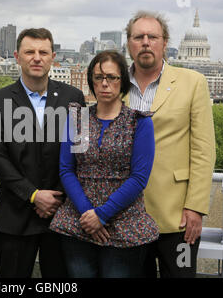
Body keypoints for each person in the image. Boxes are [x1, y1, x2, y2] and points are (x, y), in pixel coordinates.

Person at [0, 28, 85, 278]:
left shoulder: (75, 98)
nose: (36, 58)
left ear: (53, 57)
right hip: (14, 217)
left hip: (61, 216)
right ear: (17, 57)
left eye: (43, 52)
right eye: (30, 52)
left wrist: (55, 198)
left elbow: (81, 153)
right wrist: (33, 195)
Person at [50, 50, 159, 278]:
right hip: (78, 220)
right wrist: (88, 213)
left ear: (123, 82)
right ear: (91, 81)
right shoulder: (78, 119)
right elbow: (67, 169)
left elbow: (139, 178)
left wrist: (102, 215)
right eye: (98, 77)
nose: (105, 84)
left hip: (124, 223)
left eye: (112, 77)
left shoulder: (139, 123)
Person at [123, 10, 216, 277]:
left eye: (153, 36)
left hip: (178, 218)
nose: (145, 42)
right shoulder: (114, 85)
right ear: (129, 43)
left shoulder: (192, 82)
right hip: (127, 217)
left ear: (165, 42)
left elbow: (203, 149)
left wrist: (196, 207)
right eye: (138, 36)